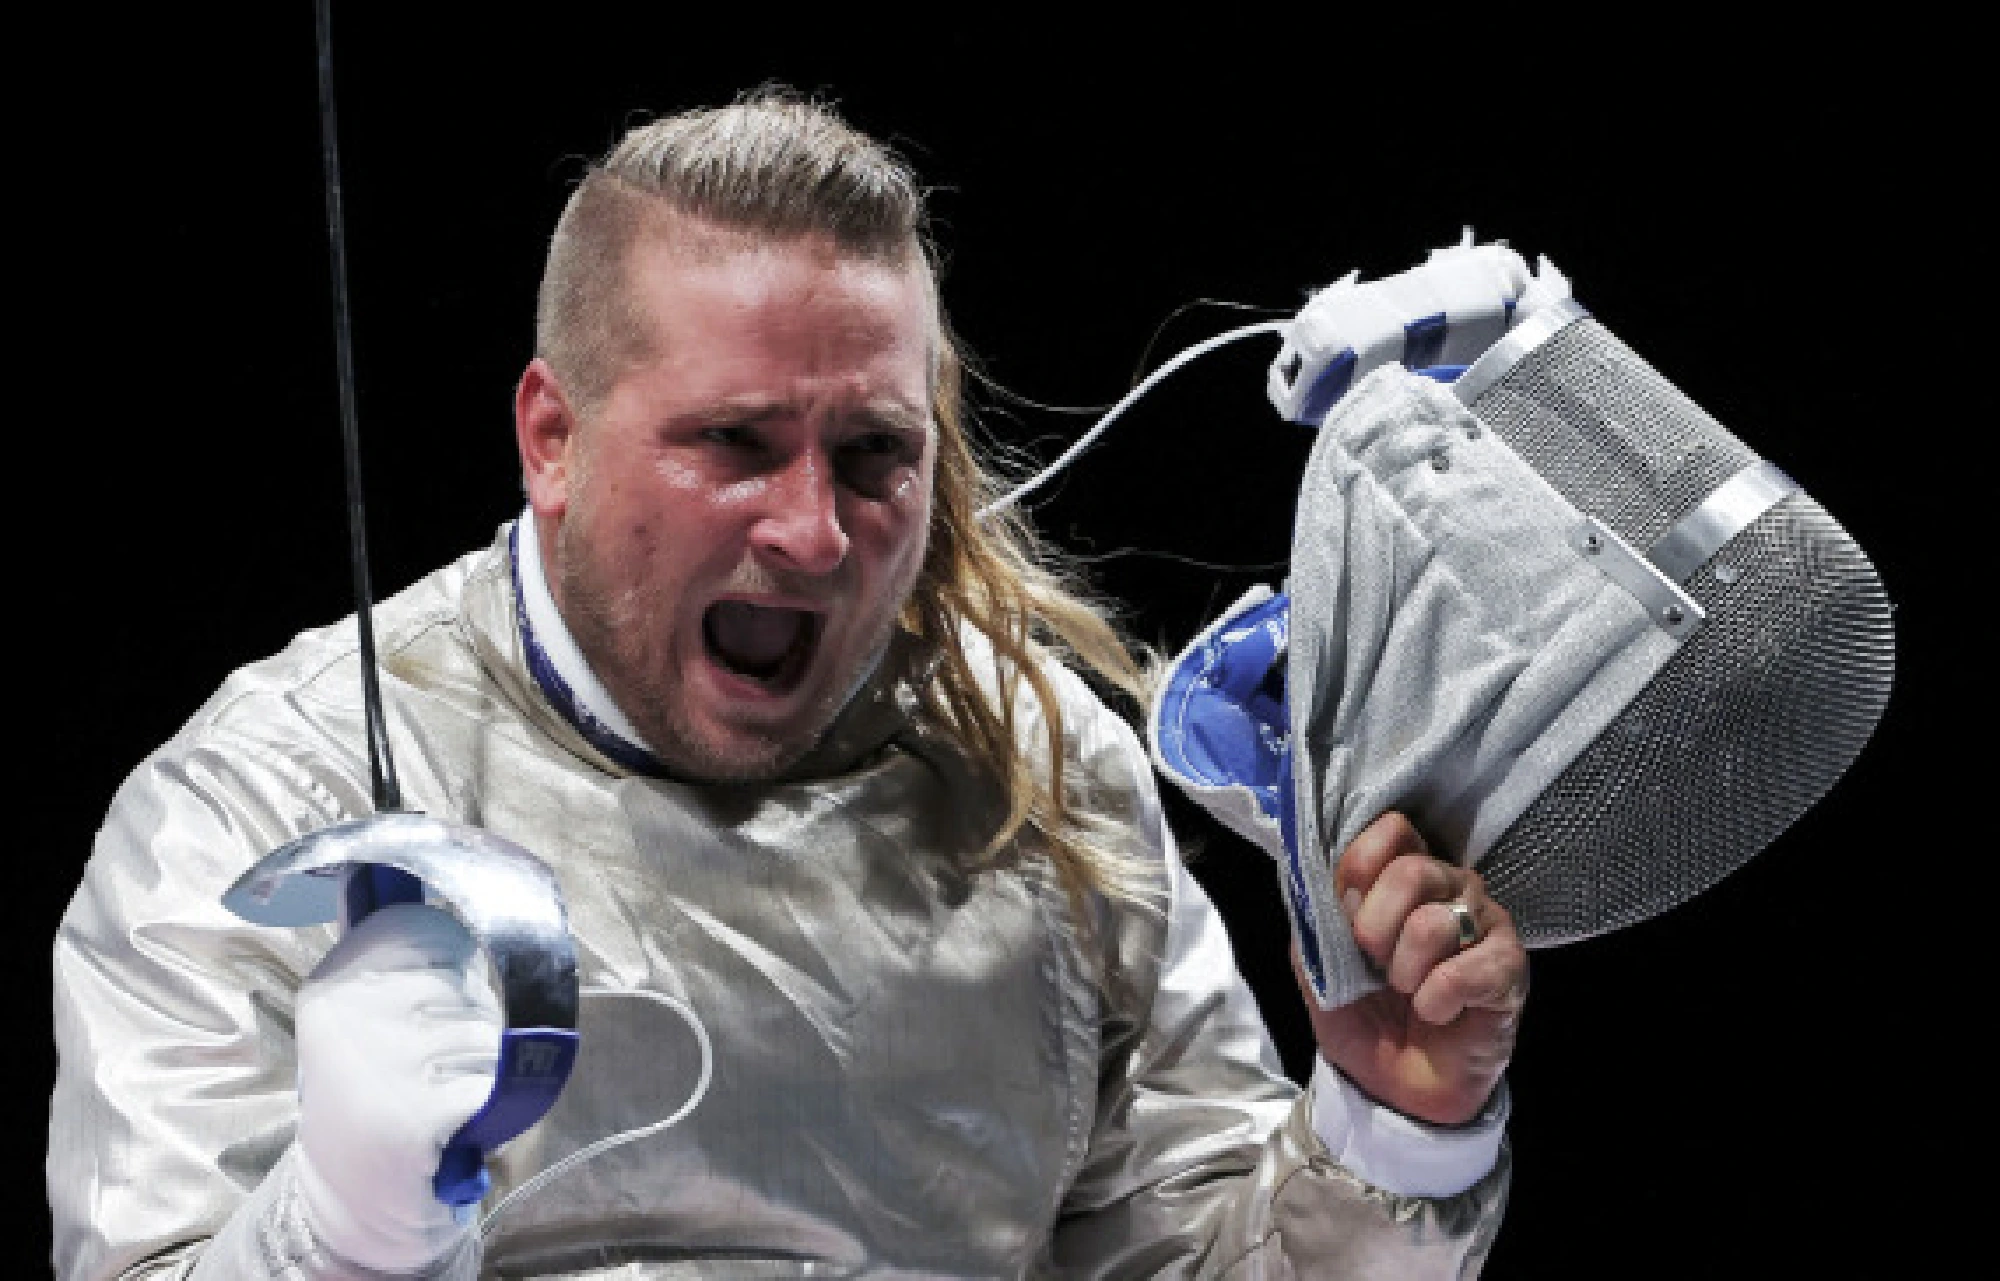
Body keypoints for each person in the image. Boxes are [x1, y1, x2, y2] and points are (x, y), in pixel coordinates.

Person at [48, 91, 1529, 1277]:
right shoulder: (269, 804)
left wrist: (1397, 1126)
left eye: (875, 455)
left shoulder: (1039, 780)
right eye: (736, 444)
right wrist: (334, 1234)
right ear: (553, 440)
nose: (815, 533)